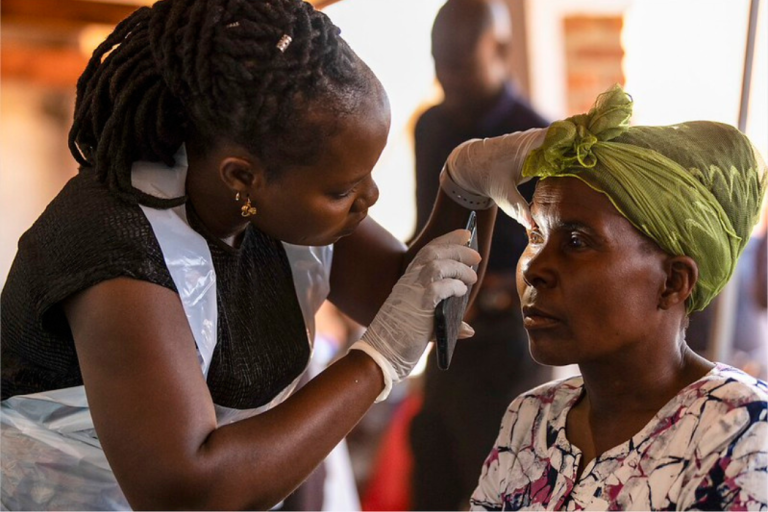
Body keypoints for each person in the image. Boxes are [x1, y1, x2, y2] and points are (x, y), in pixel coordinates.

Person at [0, 0, 545, 509]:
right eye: (342, 189)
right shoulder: (117, 250)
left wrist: (464, 190)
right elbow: (188, 490)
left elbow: (422, 302)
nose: (371, 197)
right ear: (243, 176)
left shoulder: (272, 196)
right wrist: (375, 362)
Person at [469, 85, 768, 510]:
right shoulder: (533, 419)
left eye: (575, 241)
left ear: (673, 282)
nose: (534, 268)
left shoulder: (740, 430)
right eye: (534, 236)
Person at [409, 0, 550, 509]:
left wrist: (493, 290)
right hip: (446, 340)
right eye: (438, 64)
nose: (448, 80)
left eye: (461, 66)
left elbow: (554, 258)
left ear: (502, 52)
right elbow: (427, 231)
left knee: (494, 485)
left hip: (509, 347)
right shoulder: (430, 128)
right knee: (433, 477)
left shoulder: (538, 142)